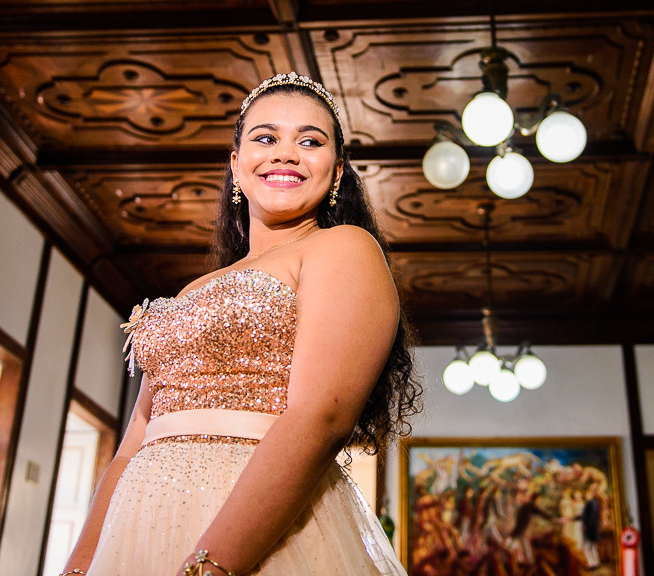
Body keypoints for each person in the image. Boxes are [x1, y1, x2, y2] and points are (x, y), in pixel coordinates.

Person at [58, 72, 422, 576]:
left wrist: (212, 566)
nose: (285, 153)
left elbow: (320, 419)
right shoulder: (191, 291)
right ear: (236, 163)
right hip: (137, 530)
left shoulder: (343, 249)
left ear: (336, 173)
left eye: (310, 141)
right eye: (265, 138)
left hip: (259, 534)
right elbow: (133, 443)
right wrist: (79, 566)